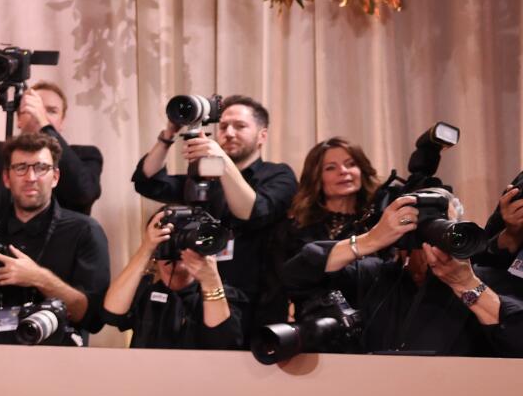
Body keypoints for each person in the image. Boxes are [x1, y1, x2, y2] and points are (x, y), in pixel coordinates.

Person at [280, 192, 523, 358]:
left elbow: (516, 341)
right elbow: (294, 277)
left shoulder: (487, 279)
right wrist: (370, 240)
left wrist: (465, 285)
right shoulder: (372, 275)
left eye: (445, 223)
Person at [133, 94, 298, 331]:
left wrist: (220, 159)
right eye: (223, 126)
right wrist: (169, 133)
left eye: (240, 126)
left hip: (259, 303)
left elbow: (252, 212)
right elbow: (148, 182)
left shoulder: (279, 175)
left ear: (262, 135)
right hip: (204, 300)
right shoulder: (204, 178)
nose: (229, 133)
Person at [0, 132, 109, 345]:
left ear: (55, 177)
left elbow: (93, 318)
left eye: (41, 168)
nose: (30, 177)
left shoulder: (84, 230)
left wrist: (38, 277)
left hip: (60, 363)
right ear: (6, 178)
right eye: (20, 168)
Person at [0, 50, 103, 217]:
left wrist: (44, 124)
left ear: (62, 121)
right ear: (18, 120)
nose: (39, 114)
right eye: (32, 107)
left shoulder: (86, 156)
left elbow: (84, 192)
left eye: (51, 111)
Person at [264, 138, 381, 327]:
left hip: (371, 327)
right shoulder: (294, 227)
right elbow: (284, 280)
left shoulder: (379, 223)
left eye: (351, 164)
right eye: (331, 168)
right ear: (316, 177)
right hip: (310, 329)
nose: (344, 171)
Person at [97, 208, 243, 349]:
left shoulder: (223, 294)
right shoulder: (144, 289)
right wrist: (146, 248)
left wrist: (210, 281)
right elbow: (111, 314)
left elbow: (224, 341)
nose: (180, 247)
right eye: (172, 238)